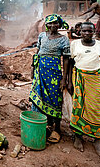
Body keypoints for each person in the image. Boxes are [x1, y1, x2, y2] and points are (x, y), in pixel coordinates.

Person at [68, 21, 100, 160]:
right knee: (78, 107)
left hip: (94, 80)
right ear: (79, 32)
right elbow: (71, 62)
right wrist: (69, 81)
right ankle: (78, 137)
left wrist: (94, 70)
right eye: (84, 31)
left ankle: (96, 140)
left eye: (89, 31)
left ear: (94, 32)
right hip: (78, 78)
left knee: (96, 108)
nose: (86, 33)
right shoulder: (74, 44)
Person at [29, 14, 70, 143]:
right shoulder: (42, 36)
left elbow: (67, 60)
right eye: (50, 23)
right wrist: (32, 67)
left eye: (55, 23)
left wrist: (64, 79)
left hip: (54, 74)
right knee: (39, 98)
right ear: (46, 25)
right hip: (40, 72)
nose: (53, 26)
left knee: (55, 99)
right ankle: (42, 124)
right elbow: (38, 52)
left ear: (60, 24)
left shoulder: (64, 39)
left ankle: (57, 129)